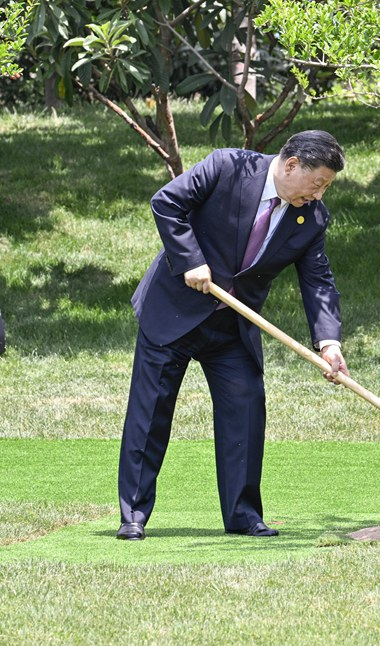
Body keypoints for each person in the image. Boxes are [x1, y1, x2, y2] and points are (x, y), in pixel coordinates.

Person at [117, 130, 349, 540]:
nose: (318, 195)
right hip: (173, 311)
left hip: (233, 327)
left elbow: (318, 281)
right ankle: (133, 514)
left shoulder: (311, 217)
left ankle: (243, 515)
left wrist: (329, 342)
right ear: (292, 164)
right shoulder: (227, 166)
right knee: (151, 412)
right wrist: (190, 260)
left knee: (245, 411)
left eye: (326, 187)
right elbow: (166, 203)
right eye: (317, 184)